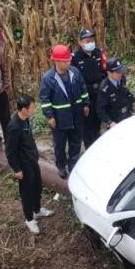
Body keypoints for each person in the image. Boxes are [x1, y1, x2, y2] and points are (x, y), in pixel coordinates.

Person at [5, 94, 54, 234]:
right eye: (32, 107)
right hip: (23, 165)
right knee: (26, 192)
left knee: (37, 186)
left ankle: (37, 210)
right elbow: (10, 150)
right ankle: (29, 219)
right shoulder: (14, 127)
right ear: (24, 109)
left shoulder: (26, 119)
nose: (34, 109)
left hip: (32, 161)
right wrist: (17, 169)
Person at [39, 44, 89, 179]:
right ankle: (61, 166)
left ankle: (73, 164)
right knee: (60, 145)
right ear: (56, 61)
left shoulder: (75, 72)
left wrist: (86, 104)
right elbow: (45, 99)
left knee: (76, 141)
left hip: (76, 115)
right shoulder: (48, 79)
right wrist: (49, 116)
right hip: (59, 119)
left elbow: (83, 88)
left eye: (69, 60)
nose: (69, 62)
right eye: (65, 61)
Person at [71, 28, 108, 149]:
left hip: (100, 93)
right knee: (88, 126)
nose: (90, 43)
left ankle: (99, 146)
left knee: (98, 122)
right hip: (86, 96)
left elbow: (105, 70)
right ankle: (90, 149)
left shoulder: (98, 52)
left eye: (92, 40)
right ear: (80, 42)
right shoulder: (75, 58)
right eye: (87, 41)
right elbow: (74, 81)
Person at [96, 57, 135, 128]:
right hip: (115, 122)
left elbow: (126, 92)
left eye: (121, 70)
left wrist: (134, 101)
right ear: (109, 73)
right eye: (117, 72)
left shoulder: (122, 79)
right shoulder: (104, 88)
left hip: (127, 116)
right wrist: (109, 122)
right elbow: (100, 110)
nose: (120, 74)